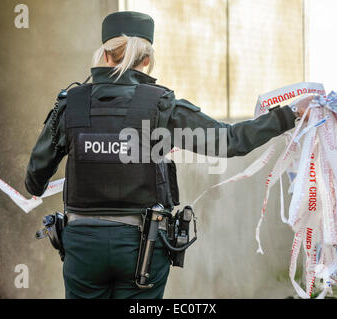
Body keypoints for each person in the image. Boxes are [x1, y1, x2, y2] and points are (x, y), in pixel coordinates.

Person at [25, 11, 312, 299]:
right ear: (146, 59)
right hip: (141, 247)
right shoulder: (161, 106)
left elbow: (34, 181)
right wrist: (291, 114)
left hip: (82, 247)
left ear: (105, 55)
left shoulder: (69, 105)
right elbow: (229, 141)